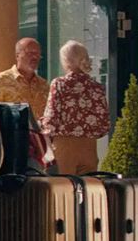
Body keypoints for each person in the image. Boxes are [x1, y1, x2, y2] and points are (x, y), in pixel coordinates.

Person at [40, 40, 110, 175]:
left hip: (64, 146)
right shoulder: (96, 86)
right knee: (87, 188)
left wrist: (43, 128)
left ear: (66, 61)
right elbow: (104, 123)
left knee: (64, 188)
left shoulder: (59, 84)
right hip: (89, 146)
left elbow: (51, 119)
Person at [0, 37, 52, 168]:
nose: (35, 57)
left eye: (37, 54)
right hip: (13, 146)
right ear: (18, 55)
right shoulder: (1, 82)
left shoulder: (44, 85)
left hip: (41, 149)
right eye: (30, 53)